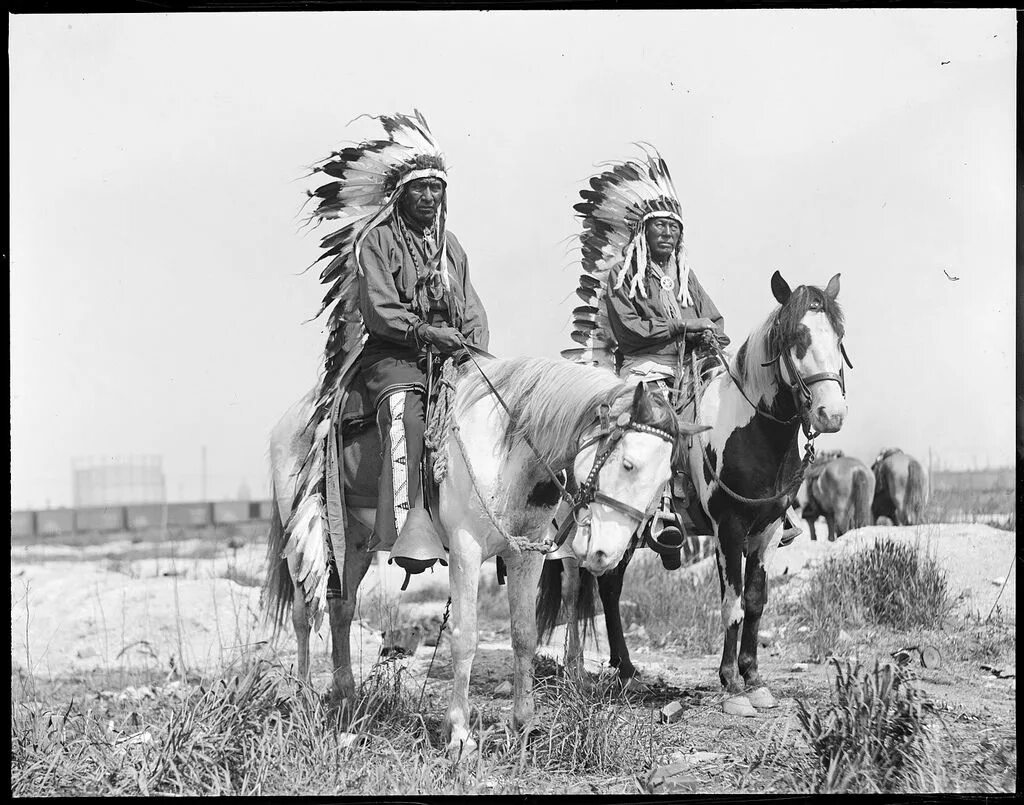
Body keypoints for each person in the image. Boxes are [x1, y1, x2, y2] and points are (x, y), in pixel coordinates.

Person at [571, 148, 798, 570]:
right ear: (644, 232)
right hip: (646, 371)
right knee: (656, 429)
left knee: (731, 414)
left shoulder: (684, 278)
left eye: (674, 229)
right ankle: (660, 514)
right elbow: (629, 330)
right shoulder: (625, 276)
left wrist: (707, 332)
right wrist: (680, 328)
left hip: (692, 368)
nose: (667, 235)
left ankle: (772, 507)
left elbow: (714, 318)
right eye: (659, 227)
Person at [357, 171, 489, 554]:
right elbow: (380, 308)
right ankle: (407, 532)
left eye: (437, 188)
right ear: (400, 193)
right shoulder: (377, 241)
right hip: (396, 353)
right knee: (408, 419)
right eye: (419, 187)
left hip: (452, 352)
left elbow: (471, 306)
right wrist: (427, 333)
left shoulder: (451, 246)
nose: (429, 196)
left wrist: (474, 347)